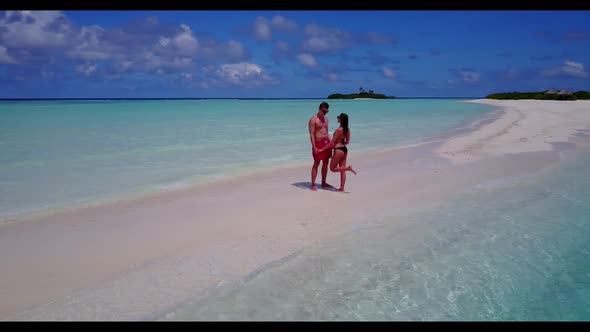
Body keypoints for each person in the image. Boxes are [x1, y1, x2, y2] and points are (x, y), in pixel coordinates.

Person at [318, 113, 357, 192]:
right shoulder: (347, 130)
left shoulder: (338, 130)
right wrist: (341, 143)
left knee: (332, 168)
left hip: (338, 150)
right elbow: (347, 142)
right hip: (345, 149)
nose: (337, 118)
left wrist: (322, 149)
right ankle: (342, 188)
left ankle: (348, 168)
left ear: (341, 120)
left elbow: (332, 142)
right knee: (342, 170)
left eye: (338, 117)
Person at [308, 102, 334, 191]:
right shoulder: (313, 120)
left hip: (326, 142)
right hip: (318, 143)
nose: (325, 113)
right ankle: (313, 184)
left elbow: (327, 132)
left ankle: (323, 182)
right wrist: (314, 146)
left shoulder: (326, 119)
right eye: (324, 111)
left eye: (327, 111)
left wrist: (331, 142)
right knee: (316, 163)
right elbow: (311, 134)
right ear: (320, 109)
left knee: (326, 163)